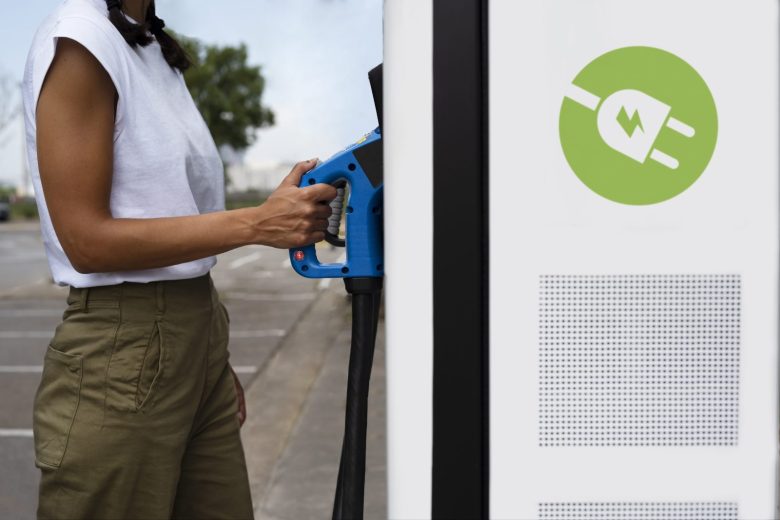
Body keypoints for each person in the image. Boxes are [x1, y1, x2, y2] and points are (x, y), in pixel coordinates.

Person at [22, 0, 337, 518]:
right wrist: (257, 223)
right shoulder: (82, 39)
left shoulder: (148, 45)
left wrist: (204, 356)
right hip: (122, 349)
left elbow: (169, 212)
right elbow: (85, 241)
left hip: (194, 335)